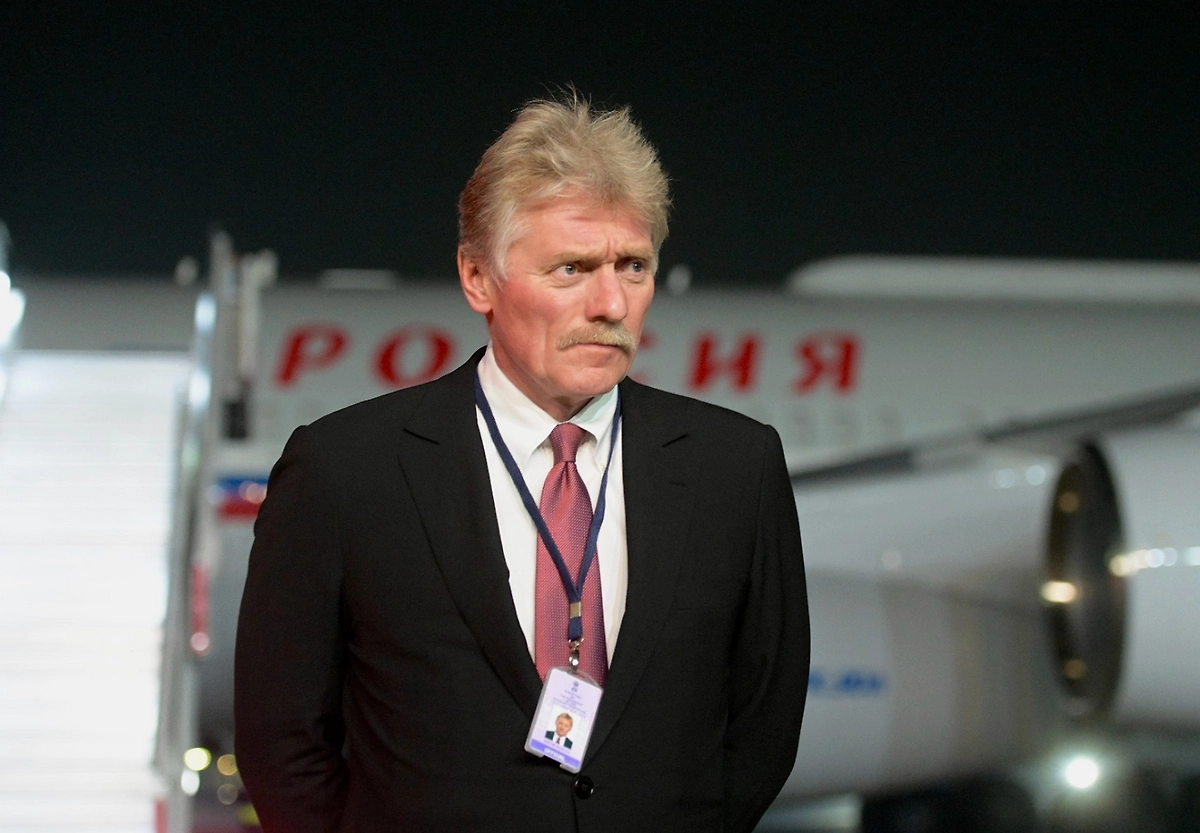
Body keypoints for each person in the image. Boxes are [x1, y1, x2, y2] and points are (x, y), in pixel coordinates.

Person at [235, 91, 809, 833]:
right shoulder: (345, 471)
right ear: (479, 278)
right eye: (572, 268)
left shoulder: (737, 468)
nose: (611, 303)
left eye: (633, 266)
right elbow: (282, 742)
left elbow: (763, 727)